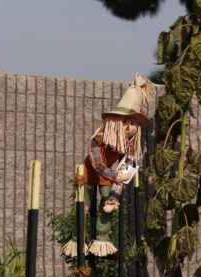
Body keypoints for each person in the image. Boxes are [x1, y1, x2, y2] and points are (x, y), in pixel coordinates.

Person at [63, 74, 152, 259]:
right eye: (126, 121)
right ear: (114, 121)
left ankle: (102, 242)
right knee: (84, 206)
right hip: (88, 173)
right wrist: (114, 176)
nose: (129, 127)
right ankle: (78, 240)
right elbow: (97, 164)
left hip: (107, 177)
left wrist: (113, 196)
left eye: (133, 123)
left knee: (107, 206)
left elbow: (124, 173)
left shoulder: (128, 149)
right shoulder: (98, 139)